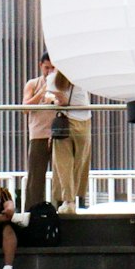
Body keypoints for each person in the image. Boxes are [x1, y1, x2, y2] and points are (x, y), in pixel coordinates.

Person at [22, 51, 62, 210]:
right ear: (41, 66)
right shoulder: (33, 84)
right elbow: (25, 108)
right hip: (38, 135)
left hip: (58, 134)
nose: (49, 71)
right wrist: (43, 90)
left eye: (53, 68)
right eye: (47, 68)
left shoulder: (62, 84)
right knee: (35, 176)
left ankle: (61, 208)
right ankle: (33, 211)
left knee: (60, 174)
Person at [49, 71, 92, 216]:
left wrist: (52, 101)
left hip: (65, 123)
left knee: (63, 163)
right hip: (84, 121)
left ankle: (68, 201)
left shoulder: (52, 79)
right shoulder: (81, 76)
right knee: (80, 161)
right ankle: (76, 197)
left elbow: (61, 101)